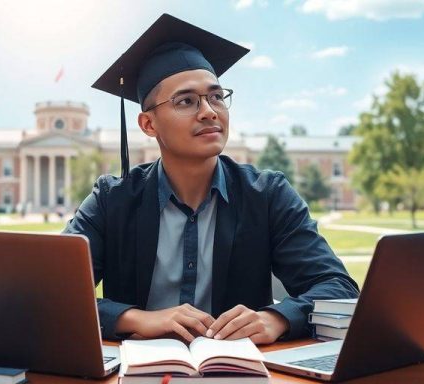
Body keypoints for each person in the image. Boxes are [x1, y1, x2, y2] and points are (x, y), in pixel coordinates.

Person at [64, 14, 358, 345]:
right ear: (148, 125)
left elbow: (338, 287)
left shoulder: (267, 194)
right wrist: (136, 319)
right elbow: (52, 290)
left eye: (216, 96)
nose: (209, 111)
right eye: (186, 101)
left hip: (240, 370)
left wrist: (277, 318)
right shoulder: (111, 200)